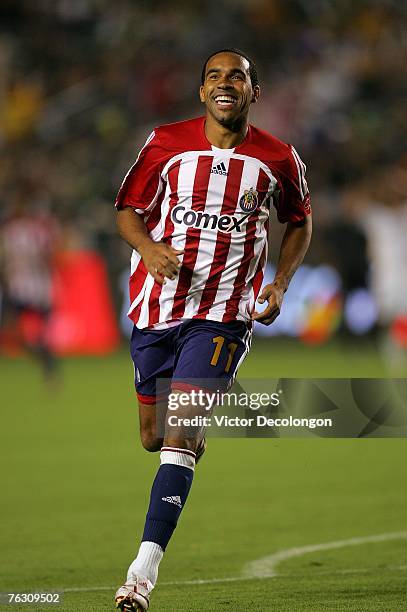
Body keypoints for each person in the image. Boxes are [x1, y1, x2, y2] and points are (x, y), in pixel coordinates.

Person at [114, 48, 312, 611]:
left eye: (238, 77)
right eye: (215, 77)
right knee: (154, 435)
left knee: (177, 438)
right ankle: (187, 431)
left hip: (224, 315)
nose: (226, 84)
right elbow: (127, 210)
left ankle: (140, 575)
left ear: (256, 91)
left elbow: (299, 221)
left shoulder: (278, 158)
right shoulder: (165, 144)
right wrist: (150, 247)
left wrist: (280, 282)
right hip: (157, 310)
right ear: (202, 92)